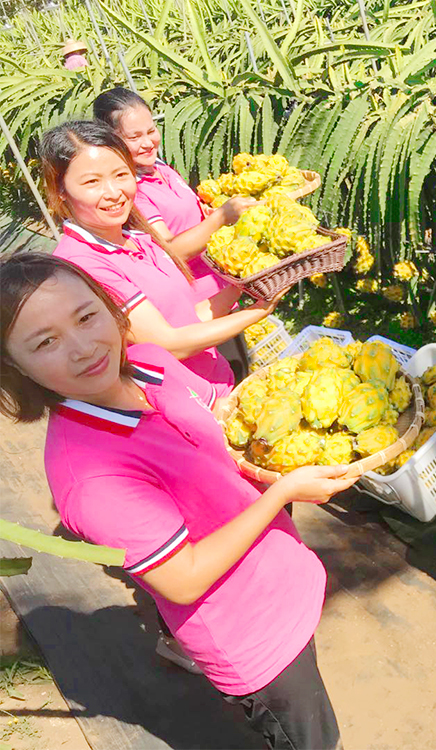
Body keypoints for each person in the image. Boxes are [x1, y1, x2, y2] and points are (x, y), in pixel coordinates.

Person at [0, 252, 354, 750]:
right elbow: (182, 580)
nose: (82, 348)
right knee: (313, 740)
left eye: (86, 316)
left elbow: (221, 412)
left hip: (282, 578)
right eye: (45, 343)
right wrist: (283, 492)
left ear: (109, 304)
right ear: (14, 367)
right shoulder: (91, 474)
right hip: (250, 636)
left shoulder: (147, 364)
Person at [39, 120, 278, 399]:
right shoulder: (83, 265)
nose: (114, 192)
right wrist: (260, 311)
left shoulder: (137, 237)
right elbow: (169, 343)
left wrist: (247, 286)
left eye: (120, 175)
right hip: (185, 407)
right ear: (61, 190)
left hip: (217, 385)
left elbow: (189, 317)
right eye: (92, 182)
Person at [94, 88, 255, 378]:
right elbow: (169, 252)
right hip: (196, 308)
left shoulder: (159, 167)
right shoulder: (131, 191)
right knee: (222, 380)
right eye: (134, 137)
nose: (148, 142)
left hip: (223, 289)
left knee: (240, 371)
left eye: (151, 130)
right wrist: (220, 218)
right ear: (111, 141)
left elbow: (186, 219)